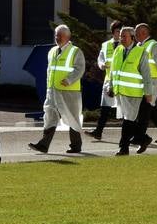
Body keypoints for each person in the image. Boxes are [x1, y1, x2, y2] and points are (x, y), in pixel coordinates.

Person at [30, 24, 86, 155]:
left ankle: (76, 145)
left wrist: (69, 79)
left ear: (67, 37)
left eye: (60, 35)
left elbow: (80, 69)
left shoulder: (75, 51)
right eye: (56, 35)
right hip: (53, 91)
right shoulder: (52, 51)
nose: (57, 38)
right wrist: (49, 88)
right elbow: (50, 72)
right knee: (49, 116)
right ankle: (43, 145)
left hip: (69, 91)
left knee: (72, 117)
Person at [110, 26, 152, 156]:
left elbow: (146, 74)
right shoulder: (118, 50)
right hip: (120, 92)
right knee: (129, 120)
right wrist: (110, 86)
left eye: (124, 36)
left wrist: (148, 92)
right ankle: (143, 139)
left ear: (132, 38)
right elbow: (113, 70)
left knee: (128, 121)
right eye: (120, 36)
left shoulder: (141, 52)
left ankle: (124, 148)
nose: (121, 38)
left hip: (134, 92)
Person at [133, 23, 157, 145]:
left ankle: (139, 137)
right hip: (144, 81)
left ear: (144, 33)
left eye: (136, 33)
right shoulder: (139, 45)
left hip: (153, 80)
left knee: (145, 108)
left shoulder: (154, 46)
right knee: (150, 107)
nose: (135, 35)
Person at [89, 22, 122, 140]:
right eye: (117, 31)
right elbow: (100, 58)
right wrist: (102, 65)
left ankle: (136, 134)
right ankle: (98, 131)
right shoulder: (106, 45)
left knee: (126, 110)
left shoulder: (126, 45)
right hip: (109, 81)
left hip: (123, 82)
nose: (120, 33)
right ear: (113, 32)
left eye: (121, 31)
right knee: (105, 108)